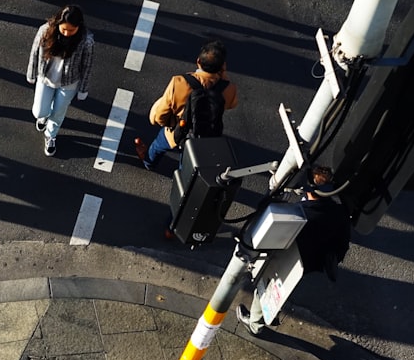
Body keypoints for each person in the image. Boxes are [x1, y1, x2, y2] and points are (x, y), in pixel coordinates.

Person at [237, 166, 352, 335]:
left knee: (266, 288)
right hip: (313, 262)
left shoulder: (301, 213)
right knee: (285, 288)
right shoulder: (340, 212)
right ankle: (271, 312)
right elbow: (342, 243)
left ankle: (254, 324)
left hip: (289, 259)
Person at [135, 39, 239, 171]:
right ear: (223, 67)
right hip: (203, 137)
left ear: (198, 62)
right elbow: (232, 104)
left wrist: (169, 125)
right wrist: (224, 77)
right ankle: (182, 182)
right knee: (187, 163)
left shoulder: (179, 82)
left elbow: (161, 114)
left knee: (157, 147)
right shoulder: (229, 89)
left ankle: (148, 163)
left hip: (176, 132)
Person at [26, 5, 96, 157]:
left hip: (69, 83)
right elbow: (35, 52)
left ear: (79, 26)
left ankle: (51, 135)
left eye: (71, 30)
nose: (66, 33)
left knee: (58, 113)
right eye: (63, 29)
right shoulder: (45, 31)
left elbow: (87, 66)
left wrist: (83, 89)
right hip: (45, 79)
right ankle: (44, 116)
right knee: (39, 111)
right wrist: (31, 74)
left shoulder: (86, 41)